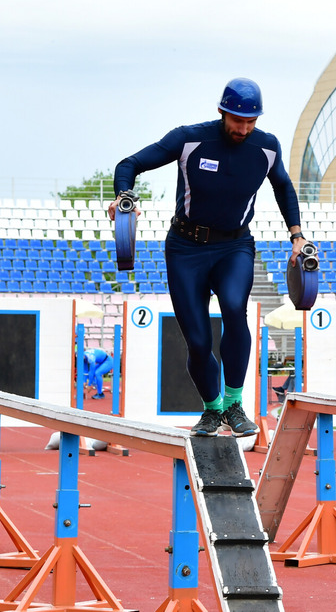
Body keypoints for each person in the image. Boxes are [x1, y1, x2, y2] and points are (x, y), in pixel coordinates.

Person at [110, 78, 306, 437]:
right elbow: (130, 164)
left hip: (235, 246)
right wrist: (125, 198)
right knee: (198, 340)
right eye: (236, 120)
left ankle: (234, 403)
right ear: (222, 111)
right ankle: (212, 409)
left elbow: (283, 187)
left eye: (251, 122)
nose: (243, 129)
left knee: (234, 308)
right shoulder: (189, 139)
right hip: (186, 248)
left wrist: (297, 235)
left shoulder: (267, 147)